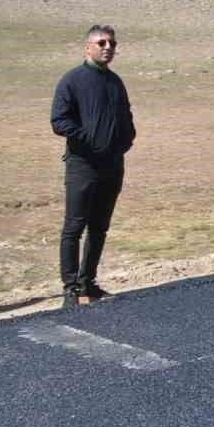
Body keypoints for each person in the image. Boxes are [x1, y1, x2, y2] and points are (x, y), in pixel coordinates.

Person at [50, 24, 136, 307]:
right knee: (74, 227)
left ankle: (89, 283)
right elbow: (59, 121)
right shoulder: (72, 80)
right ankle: (71, 289)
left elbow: (126, 115)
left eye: (111, 42)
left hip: (112, 165)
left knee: (99, 227)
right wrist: (88, 139)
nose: (108, 47)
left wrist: (126, 140)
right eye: (101, 43)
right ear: (88, 47)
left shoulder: (115, 82)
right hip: (82, 165)